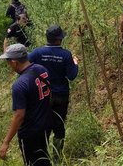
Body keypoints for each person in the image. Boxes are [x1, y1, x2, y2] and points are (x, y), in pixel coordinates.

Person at [28, 25, 78, 158]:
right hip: (61, 95)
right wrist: (75, 63)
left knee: (44, 125)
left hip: (42, 95)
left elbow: (25, 64)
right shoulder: (66, 55)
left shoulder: (37, 53)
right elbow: (72, 76)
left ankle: (43, 156)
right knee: (59, 125)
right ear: (59, 39)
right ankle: (57, 156)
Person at [0, 43, 52, 166]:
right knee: (43, 157)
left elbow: (19, 115)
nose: (8, 65)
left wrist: (6, 142)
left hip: (30, 132)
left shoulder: (19, 85)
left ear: (14, 62)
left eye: (8, 62)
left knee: (33, 162)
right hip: (46, 124)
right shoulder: (42, 69)